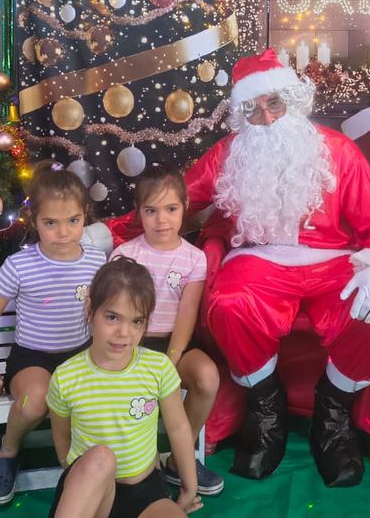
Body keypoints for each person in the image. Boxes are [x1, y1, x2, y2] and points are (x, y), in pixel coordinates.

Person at [87, 49, 370, 488]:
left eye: (274, 104)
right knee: (228, 304)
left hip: (331, 260)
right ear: (242, 114)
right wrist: (105, 233)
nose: (265, 117)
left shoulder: (337, 151)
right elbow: (172, 201)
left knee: (368, 306)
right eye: (253, 109)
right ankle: (267, 407)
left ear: (293, 101)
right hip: (258, 258)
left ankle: (333, 413)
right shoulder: (230, 155)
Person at [0, 160, 108, 505]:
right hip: (32, 357)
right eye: (51, 223)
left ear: (85, 215)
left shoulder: (95, 260)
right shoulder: (20, 264)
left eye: (73, 221)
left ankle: (93, 462)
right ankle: (8, 451)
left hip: (79, 355)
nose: (63, 232)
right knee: (35, 402)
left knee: (100, 399)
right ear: (34, 222)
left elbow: (107, 312)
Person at [47, 257, 202, 517]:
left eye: (136, 321)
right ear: (90, 310)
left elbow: (178, 427)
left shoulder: (158, 367)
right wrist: (76, 475)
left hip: (145, 491)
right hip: (90, 489)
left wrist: (189, 487)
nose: (124, 332)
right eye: (112, 317)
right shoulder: (66, 377)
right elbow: (62, 441)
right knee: (100, 458)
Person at [109, 165, 223, 496]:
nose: (162, 220)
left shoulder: (194, 259)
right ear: (139, 212)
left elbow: (187, 313)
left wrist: (171, 360)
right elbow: (116, 314)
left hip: (175, 345)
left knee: (207, 376)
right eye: (151, 211)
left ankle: (178, 459)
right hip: (133, 345)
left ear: (185, 206)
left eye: (171, 209)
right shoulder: (125, 255)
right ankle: (135, 466)